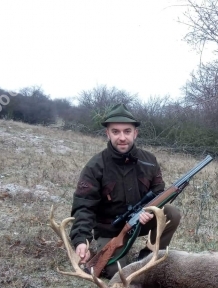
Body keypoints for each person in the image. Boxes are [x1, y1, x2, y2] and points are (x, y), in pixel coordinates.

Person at [69, 103, 181, 278]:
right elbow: (84, 206)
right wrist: (81, 240)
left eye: (127, 131)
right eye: (116, 132)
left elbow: (159, 193)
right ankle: (118, 254)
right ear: (108, 133)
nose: (122, 137)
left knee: (171, 213)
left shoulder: (149, 160)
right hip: (110, 230)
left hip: (141, 222)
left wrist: (151, 212)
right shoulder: (95, 166)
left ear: (135, 133)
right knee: (117, 273)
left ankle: (150, 256)